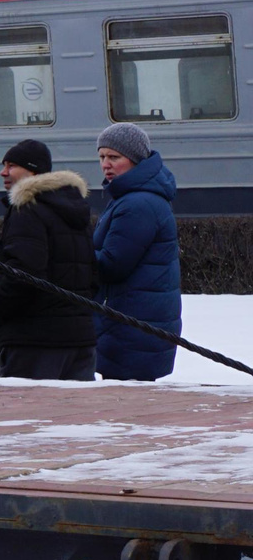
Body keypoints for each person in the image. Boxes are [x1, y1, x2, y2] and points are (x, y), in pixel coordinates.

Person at [0, 138, 97, 380]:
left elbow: (23, 274)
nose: (3, 172)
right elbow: (93, 274)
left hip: (35, 341)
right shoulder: (76, 209)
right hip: (81, 340)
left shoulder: (27, 209)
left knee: (26, 405)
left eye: (11, 166)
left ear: (32, 171)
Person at [93, 123, 182, 381]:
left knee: (125, 400)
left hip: (132, 323)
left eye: (114, 157)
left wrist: (74, 254)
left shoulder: (137, 203)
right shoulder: (133, 197)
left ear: (135, 159)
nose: (106, 164)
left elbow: (112, 265)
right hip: (138, 320)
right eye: (102, 157)